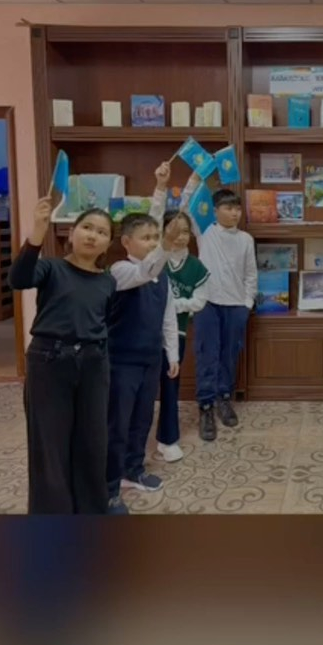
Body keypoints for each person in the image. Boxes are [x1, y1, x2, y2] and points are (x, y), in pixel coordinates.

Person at [9, 197, 114, 515]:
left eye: (102, 232)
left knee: (92, 442)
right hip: (49, 361)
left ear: (108, 243)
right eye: (86, 227)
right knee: (50, 445)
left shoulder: (107, 281)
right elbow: (18, 279)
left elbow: (104, 320)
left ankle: (92, 512)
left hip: (94, 363)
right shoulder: (51, 268)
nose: (92, 235)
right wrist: (37, 233)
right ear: (71, 232)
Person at [106, 211, 182, 512]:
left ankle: (133, 469)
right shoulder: (120, 270)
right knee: (117, 424)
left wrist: (172, 354)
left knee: (142, 419)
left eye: (155, 237)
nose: (152, 243)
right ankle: (109, 487)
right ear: (126, 242)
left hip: (151, 359)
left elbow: (168, 317)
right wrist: (165, 245)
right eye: (146, 238)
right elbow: (144, 272)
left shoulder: (162, 276)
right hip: (121, 361)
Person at [183, 178, 258, 441]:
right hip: (207, 304)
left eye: (237, 208)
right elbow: (184, 206)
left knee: (229, 355)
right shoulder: (205, 232)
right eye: (228, 208)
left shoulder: (246, 239)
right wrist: (194, 179)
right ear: (215, 211)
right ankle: (205, 406)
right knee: (207, 354)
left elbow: (251, 274)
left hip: (236, 306)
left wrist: (247, 304)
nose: (234, 213)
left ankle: (224, 398)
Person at [149, 163, 209, 462]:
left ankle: (168, 439)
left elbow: (199, 301)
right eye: (174, 230)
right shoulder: (153, 258)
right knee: (140, 388)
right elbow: (154, 217)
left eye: (186, 231)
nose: (181, 236)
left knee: (170, 385)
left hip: (177, 333)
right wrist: (161, 187)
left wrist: (173, 306)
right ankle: (133, 439)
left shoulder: (196, 266)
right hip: (144, 333)